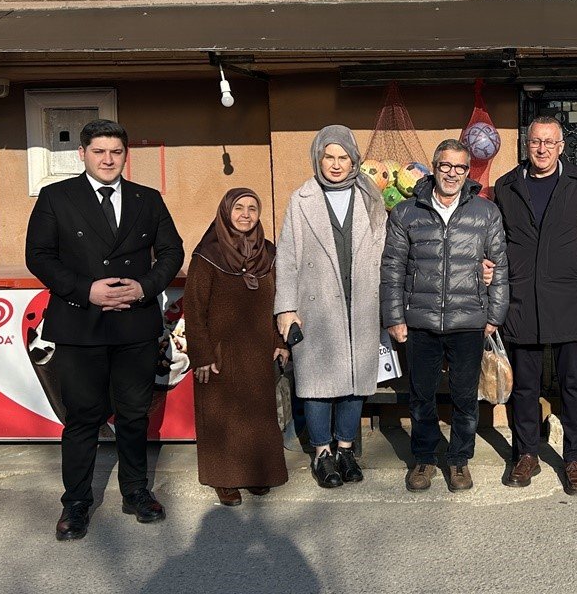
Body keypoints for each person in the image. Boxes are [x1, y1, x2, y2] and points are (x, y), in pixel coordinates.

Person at [25, 119, 184, 541]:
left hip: (134, 322)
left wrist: (145, 286)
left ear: (125, 155)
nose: (108, 159)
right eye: (99, 151)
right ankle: (76, 503)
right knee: (82, 418)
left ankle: (136, 492)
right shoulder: (57, 197)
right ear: (82, 154)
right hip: (80, 324)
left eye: (116, 152)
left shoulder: (147, 198)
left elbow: (172, 251)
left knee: (133, 415)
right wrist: (86, 290)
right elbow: (38, 255)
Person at [380, 139, 509, 493]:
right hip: (420, 320)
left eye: (460, 167)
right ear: (434, 168)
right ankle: (424, 458)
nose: (452, 173)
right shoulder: (406, 212)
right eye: (445, 166)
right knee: (421, 396)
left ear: (468, 172)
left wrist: (495, 314)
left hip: (468, 320)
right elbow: (392, 267)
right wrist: (394, 316)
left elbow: (499, 266)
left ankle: (459, 459)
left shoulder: (486, 213)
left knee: (465, 398)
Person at [494, 116, 577, 495]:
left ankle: (574, 459)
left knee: (574, 386)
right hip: (522, 298)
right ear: (527, 145)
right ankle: (527, 454)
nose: (542, 149)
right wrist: (489, 263)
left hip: (570, 297)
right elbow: (496, 237)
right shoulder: (506, 185)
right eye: (535, 142)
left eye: (549, 142)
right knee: (524, 387)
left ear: (561, 146)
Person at [274, 126, 387, 489]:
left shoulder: (371, 198)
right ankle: (322, 453)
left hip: (362, 301)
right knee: (317, 383)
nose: (336, 165)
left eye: (343, 158)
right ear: (318, 159)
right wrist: (285, 309)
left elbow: (385, 253)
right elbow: (287, 258)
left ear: (354, 161)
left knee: (356, 380)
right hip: (316, 305)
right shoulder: (301, 199)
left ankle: (346, 450)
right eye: (329, 157)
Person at [184, 188, 289, 506]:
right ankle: (224, 478)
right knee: (223, 415)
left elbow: (281, 301)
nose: (245, 214)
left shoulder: (268, 253)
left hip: (258, 350)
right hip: (219, 352)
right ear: (225, 212)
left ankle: (257, 473)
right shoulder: (207, 255)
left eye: (252, 208)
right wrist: (201, 354)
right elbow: (194, 308)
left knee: (257, 415)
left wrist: (280, 342)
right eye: (239, 208)